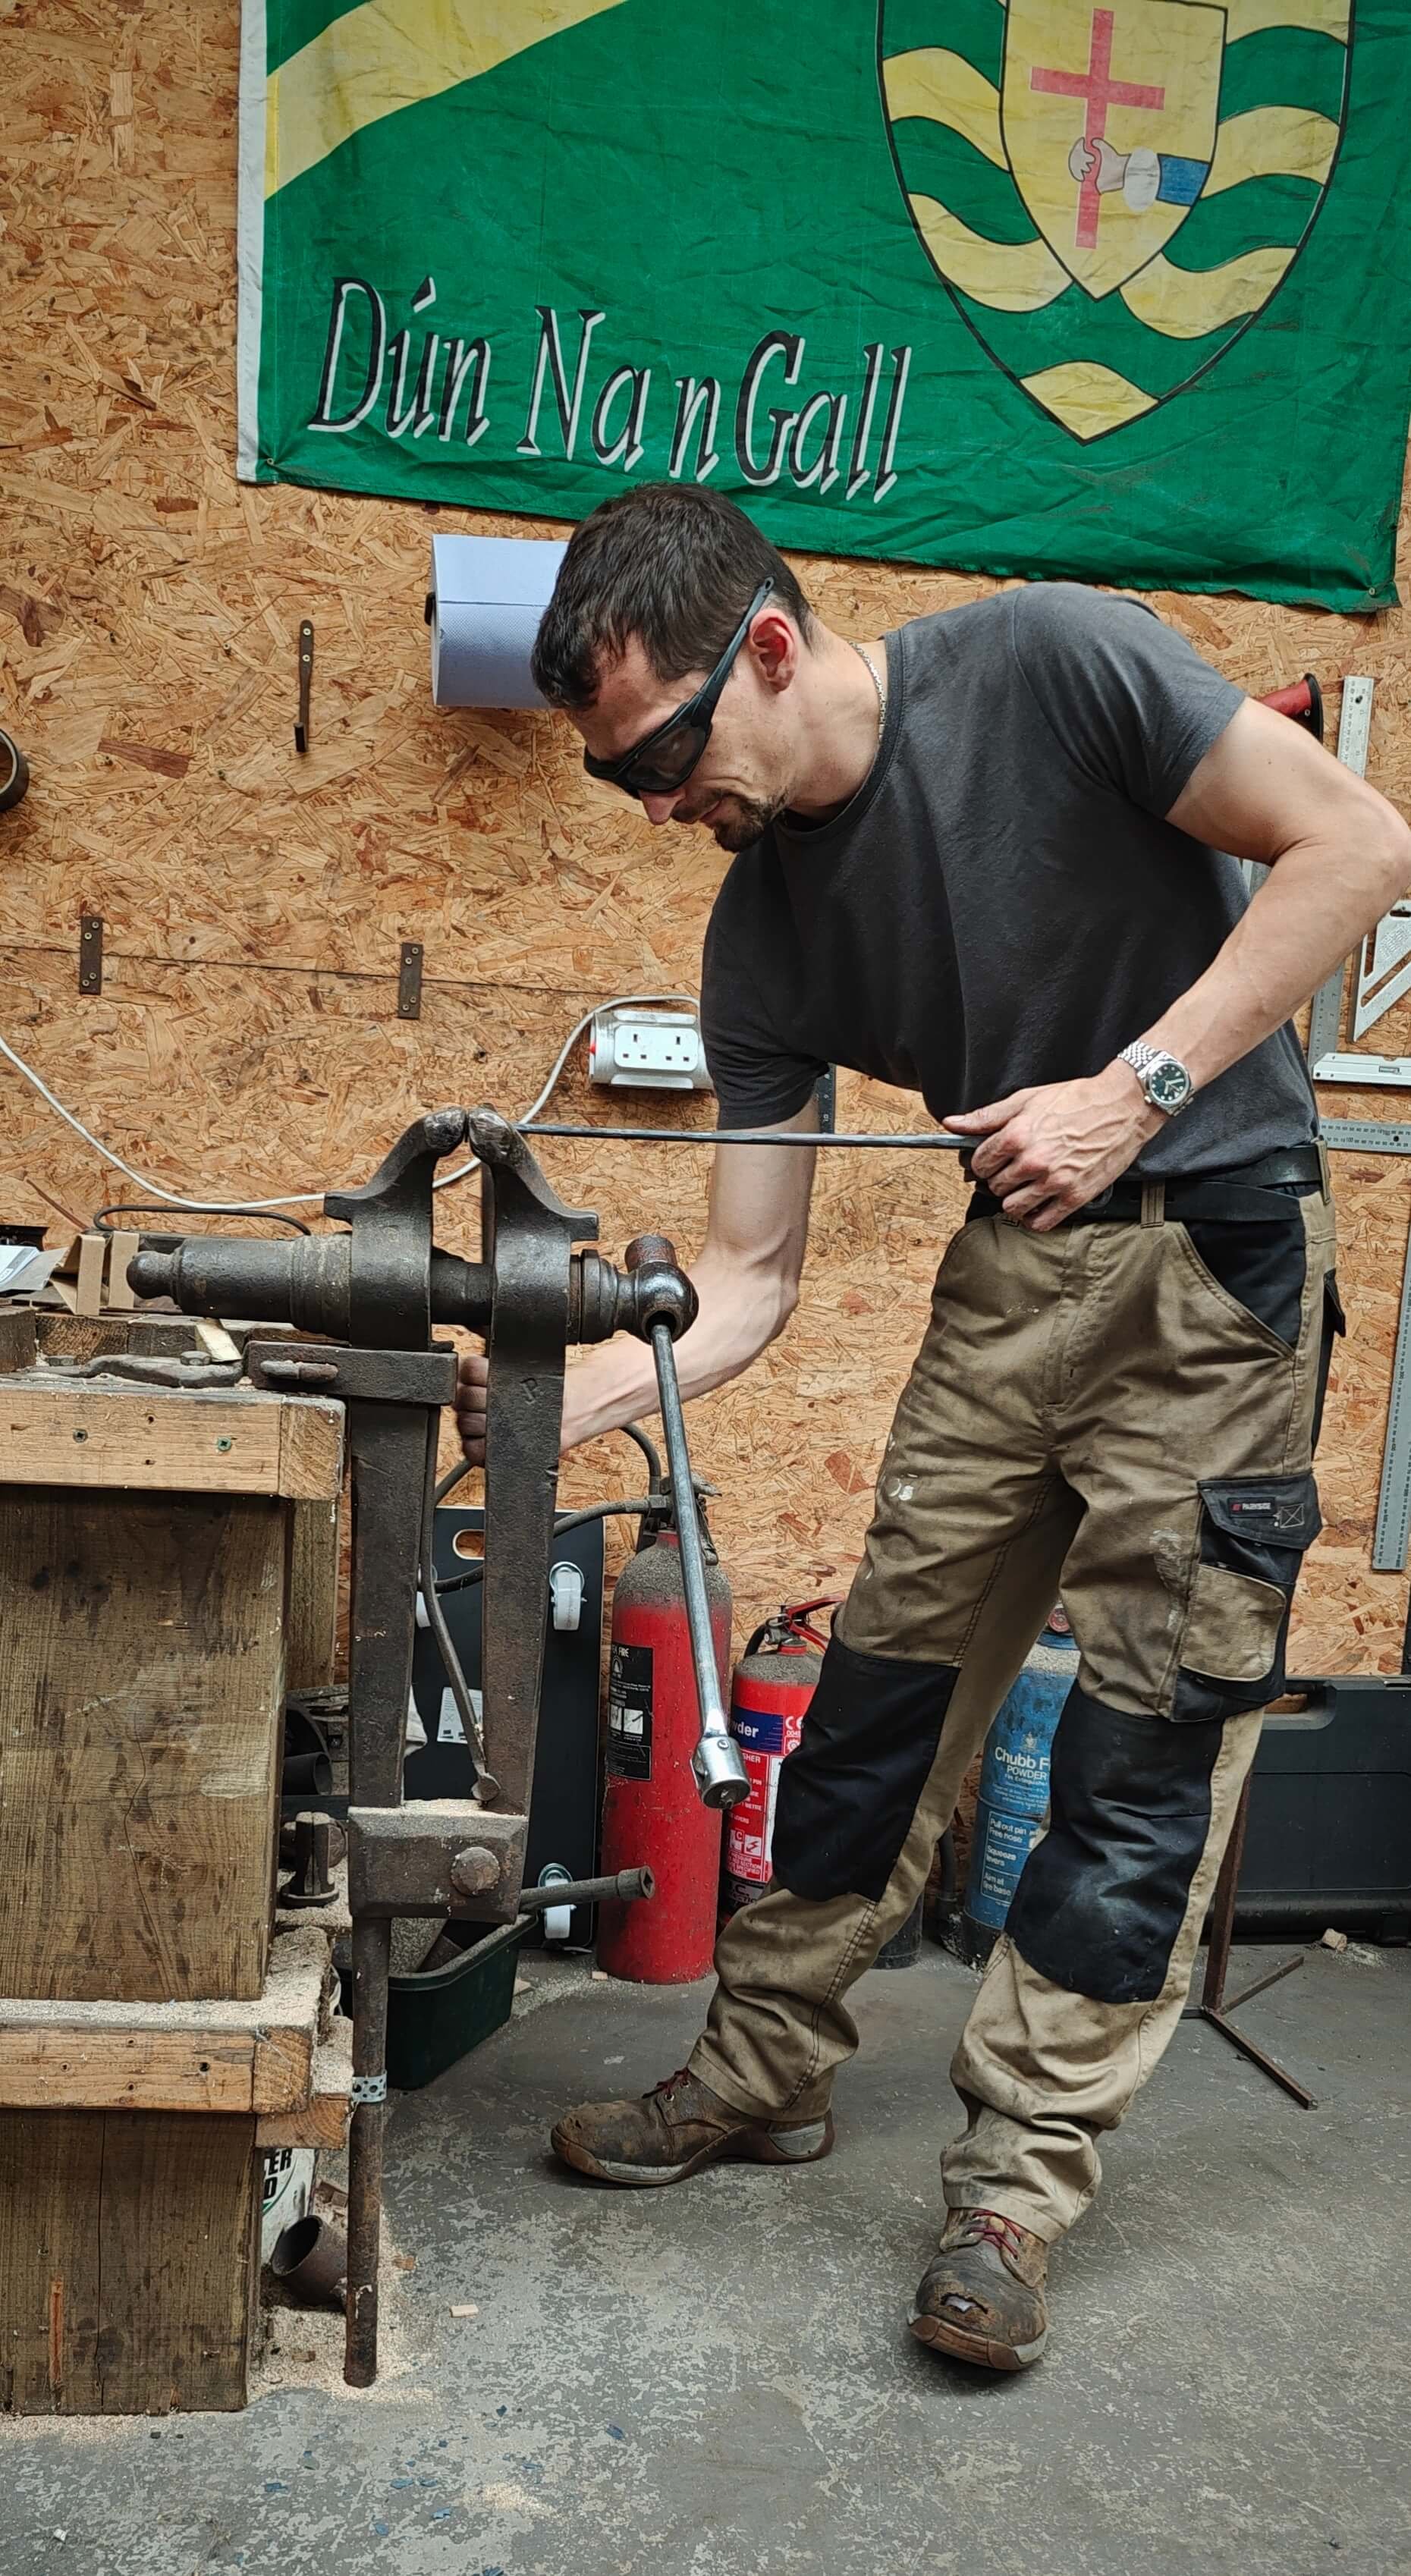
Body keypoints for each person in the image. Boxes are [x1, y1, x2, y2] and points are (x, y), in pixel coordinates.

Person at [455, 485, 1410, 2372]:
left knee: (1141, 1753)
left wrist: (1134, 1092)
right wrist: (552, 1411)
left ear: (773, 648)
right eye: (615, 782)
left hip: (1215, 1265)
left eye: (660, 751)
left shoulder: (1054, 661)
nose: (656, 806)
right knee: (879, 1704)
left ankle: (1016, 2187)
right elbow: (746, 1282)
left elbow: (1358, 844)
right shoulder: (763, 942)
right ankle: (760, 2069)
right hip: (1013, 1281)